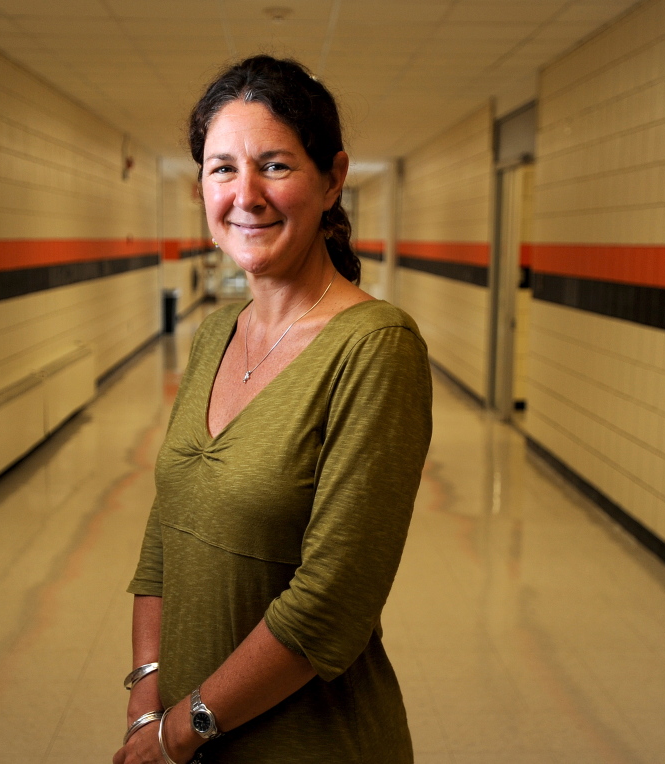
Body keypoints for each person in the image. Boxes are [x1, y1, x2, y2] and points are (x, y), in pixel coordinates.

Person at [112, 55, 432, 764]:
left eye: (275, 166)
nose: (244, 194)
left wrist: (176, 731)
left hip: (308, 743)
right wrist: (147, 687)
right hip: (190, 732)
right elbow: (165, 528)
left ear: (332, 179)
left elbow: (331, 604)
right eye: (222, 168)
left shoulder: (375, 349)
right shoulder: (213, 335)